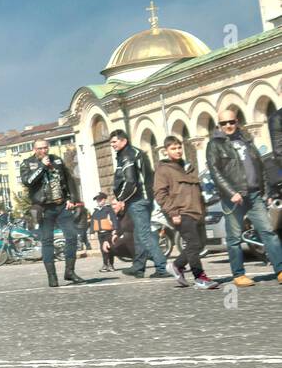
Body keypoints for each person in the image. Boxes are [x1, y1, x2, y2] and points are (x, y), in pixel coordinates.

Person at [205, 114, 282, 286]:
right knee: (234, 238)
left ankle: (280, 270)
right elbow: (215, 172)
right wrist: (231, 192)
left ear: (237, 122)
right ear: (219, 125)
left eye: (231, 122)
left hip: (254, 195)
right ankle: (238, 274)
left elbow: (259, 165)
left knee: (269, 232)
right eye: (224, 123)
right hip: (233, 198)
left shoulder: (245, 140)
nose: (228, 125)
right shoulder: (214, 145)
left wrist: (266, 191)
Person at [154, 135, 219, 290]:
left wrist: (204, 209)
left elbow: (197, 191)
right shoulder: (163, 170)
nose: (177, 151)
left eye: (179, 147)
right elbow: (160, 194)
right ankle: (200, 277)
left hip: (197, 212)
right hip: (181, 212)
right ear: (166, 151)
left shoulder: (188, 167)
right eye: (173, 148)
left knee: (200, 244)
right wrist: (173, 213)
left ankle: (176, 265)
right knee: (193, 243)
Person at [19, 139, 83, 286]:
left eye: (46, 148)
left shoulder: (57, 160)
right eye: (40, 148)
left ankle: (70, 271)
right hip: (43, 208)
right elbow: (28, 181)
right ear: (34, 149)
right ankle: (52, 277)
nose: (44, 151)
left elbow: (69, 180)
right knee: (47, 241)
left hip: (61, 205)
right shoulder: (27, 163)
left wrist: (72, 198)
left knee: (72, 236)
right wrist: (42, 166)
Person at [111, 129, 171, 279]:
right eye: (111, 142)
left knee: (144, 235)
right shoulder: (135, 152)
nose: (112, 145)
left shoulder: (127, 156)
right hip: (145, 198)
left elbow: (131, 182)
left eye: (114, 142)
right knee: (138, 234)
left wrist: (120, 199)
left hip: (138, 200)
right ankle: (138, 267)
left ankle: (162, 267)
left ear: (124, 141)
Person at [91, 193, 116, 271]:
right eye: (97, 200)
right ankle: (105, 264)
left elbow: (113, 219)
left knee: (109, 248)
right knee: (102, 249)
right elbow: (92, 222)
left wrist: (115, 229)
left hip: (108, 232)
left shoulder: (108, 209)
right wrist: (92, 232)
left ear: (104, 200)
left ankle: (111, 265)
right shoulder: (96, 211)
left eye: (100, 199)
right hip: (100, 233)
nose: (98, 201)